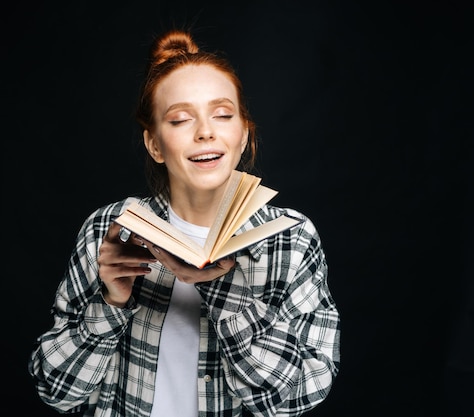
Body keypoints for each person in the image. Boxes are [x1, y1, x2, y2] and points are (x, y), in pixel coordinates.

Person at [28, 28, 341, 417]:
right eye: (180, 120)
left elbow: (299, 397)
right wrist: (112, 301)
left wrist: (226, 292)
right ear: (154, 144)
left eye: (223, 114)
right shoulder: (109, 227)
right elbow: (56, 390)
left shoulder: (291, 237)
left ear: (243, 134)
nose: (205, 131)